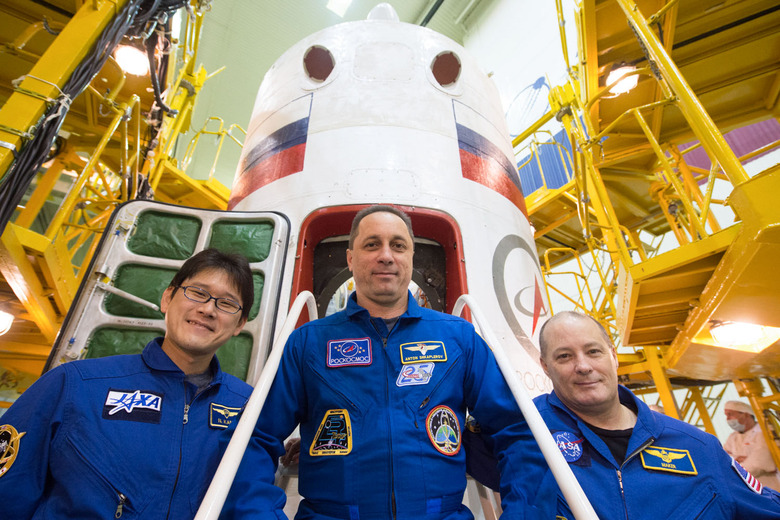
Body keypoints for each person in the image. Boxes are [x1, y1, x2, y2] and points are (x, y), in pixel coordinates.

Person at [221, 205, 550, 519]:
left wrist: (523, 513)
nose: (386, 256)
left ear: (410, 257)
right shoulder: (308, 343)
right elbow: (254, 438)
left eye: (398, 245)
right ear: (351, 259)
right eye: (371, 244)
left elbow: (516, 429)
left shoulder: (459, 339)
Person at [0, 248, 259, 519]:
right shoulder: (75, 384)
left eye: (227, 304)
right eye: (197, 292)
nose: (207, 309)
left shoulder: (247, 407)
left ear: (239, 324)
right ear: (167, 298)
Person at [533, 311, 780, 519]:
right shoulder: (525, 432)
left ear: (613, 356)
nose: (583, 366)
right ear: (545, 366)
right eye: (564, 356)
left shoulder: (699, 448)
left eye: (593, 352)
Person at [724, 400, 780, 491]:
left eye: (730, 414)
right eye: (726, 415)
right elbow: (723, 459)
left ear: (746, 414)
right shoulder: (732, 438)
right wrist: (743, 462)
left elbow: (759, 463)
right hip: (749, 491)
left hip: (773, 487)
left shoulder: (765, 431)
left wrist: (736, 463)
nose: (728, 419)